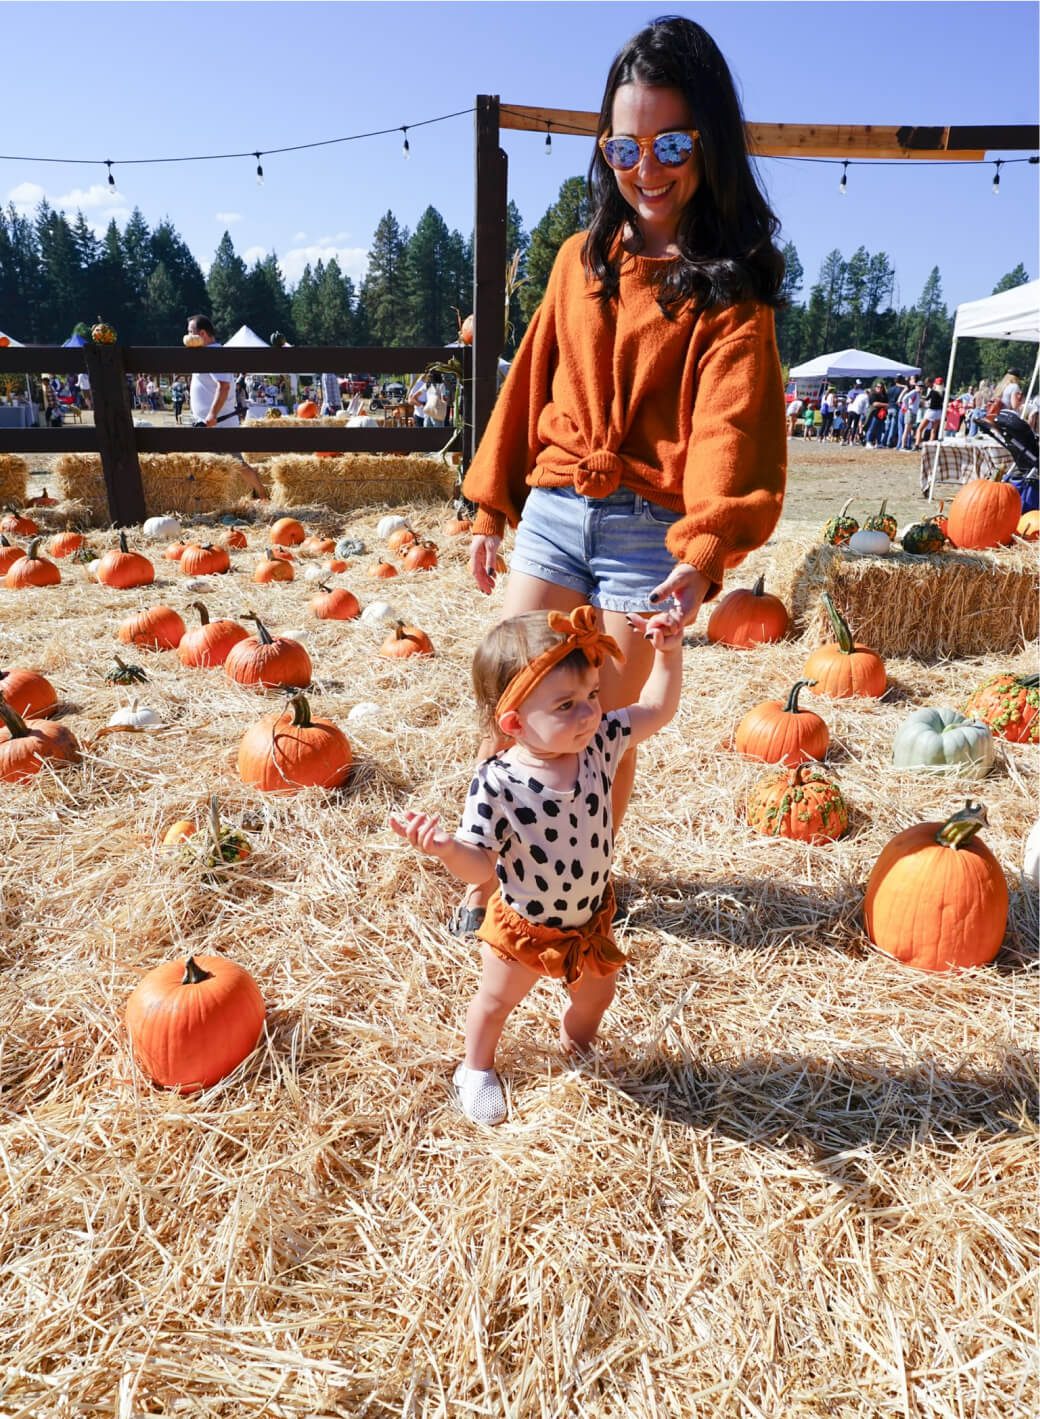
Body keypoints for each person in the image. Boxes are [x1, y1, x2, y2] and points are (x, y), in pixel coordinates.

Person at [453, 15, 786, 939]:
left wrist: (703, 546)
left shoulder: (732, 288)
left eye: (672, 143)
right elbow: (529, 379)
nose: (648, 167)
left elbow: (728, 425)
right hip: (559, 510)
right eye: (627, 145)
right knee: (515, 702)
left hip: (651, 527)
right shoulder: (580, 259)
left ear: (708, 143)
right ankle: (493, 877)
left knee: (600, 729)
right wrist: (492, 505)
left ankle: (579, 886)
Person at [390, 604, 684, 1124]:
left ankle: (575, 1050)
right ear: (514, 722)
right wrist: (443, 849)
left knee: (596, 998)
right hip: (524, 928)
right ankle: (475, 1069)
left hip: (589, 923)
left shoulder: (600, 744)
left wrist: (668, 653)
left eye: (592, 695)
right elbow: (480, 868)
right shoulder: (496, 783)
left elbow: (657, 709)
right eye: (567, 704)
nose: (589, 713)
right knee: (495, 1002)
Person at [184, 314, 267, 499]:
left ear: (202, 334)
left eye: (190, 332)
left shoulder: (213, 355)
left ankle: (262, 495)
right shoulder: (208, 354)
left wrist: (212, 415)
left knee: (238, 463)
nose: (187, 336)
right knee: (215, 463)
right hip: (210, 423)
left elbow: (224, 386)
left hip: (218, 422)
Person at [915, 377, 945, 447]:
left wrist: (920, 394)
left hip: (931, 411)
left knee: (920, 429)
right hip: (939, 412)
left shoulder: (933, 391)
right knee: (933, 430)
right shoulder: (943, 392)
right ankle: (930, 446)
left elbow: (926, 398)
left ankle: (916, 444)